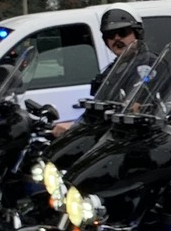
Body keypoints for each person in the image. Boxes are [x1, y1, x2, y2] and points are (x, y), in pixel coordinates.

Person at [51, 7, 142, 136]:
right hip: (110, 137)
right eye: (110, 35)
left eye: (123, 32)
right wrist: (74, 126)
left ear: (137, 34)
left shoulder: (148, 65)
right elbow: (97, 111)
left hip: (134, 139)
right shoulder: (114, 69)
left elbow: (139, 107)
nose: (117, 39)